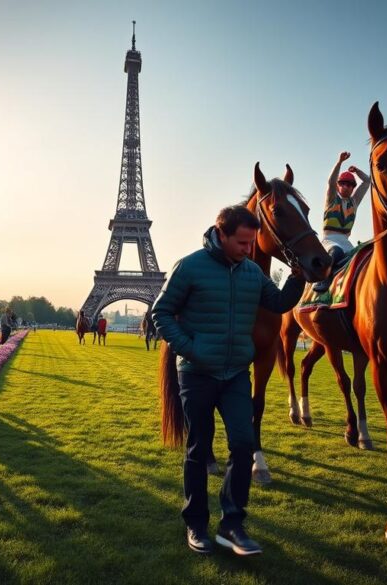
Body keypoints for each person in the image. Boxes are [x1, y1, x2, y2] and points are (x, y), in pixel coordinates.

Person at [151, 205, 306, 556]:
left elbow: (280, 302)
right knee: (199, 448)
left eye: (252, 243)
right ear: (220, 234)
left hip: (236, 373)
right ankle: (196, 524)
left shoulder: (252, 272)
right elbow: (160, 312)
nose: (248, 249)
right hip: (196, 373)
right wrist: (190, 348)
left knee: (243, 443)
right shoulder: (189, 267)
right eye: (241, 242)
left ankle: (232, 524)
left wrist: (297, 278)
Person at [314, 150, 371, 292]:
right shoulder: (332, 198)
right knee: (337, 252)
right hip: (329, 241)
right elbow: (331, 181)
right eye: (343, 183)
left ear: (353, 188)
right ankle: (323, 281)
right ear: (339, 186)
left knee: (364, 257)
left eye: (350, 184)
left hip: (346, 242)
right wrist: (339, 162)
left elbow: (367, 181)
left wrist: (357, 171)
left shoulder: (354, 201)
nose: (346, 186)